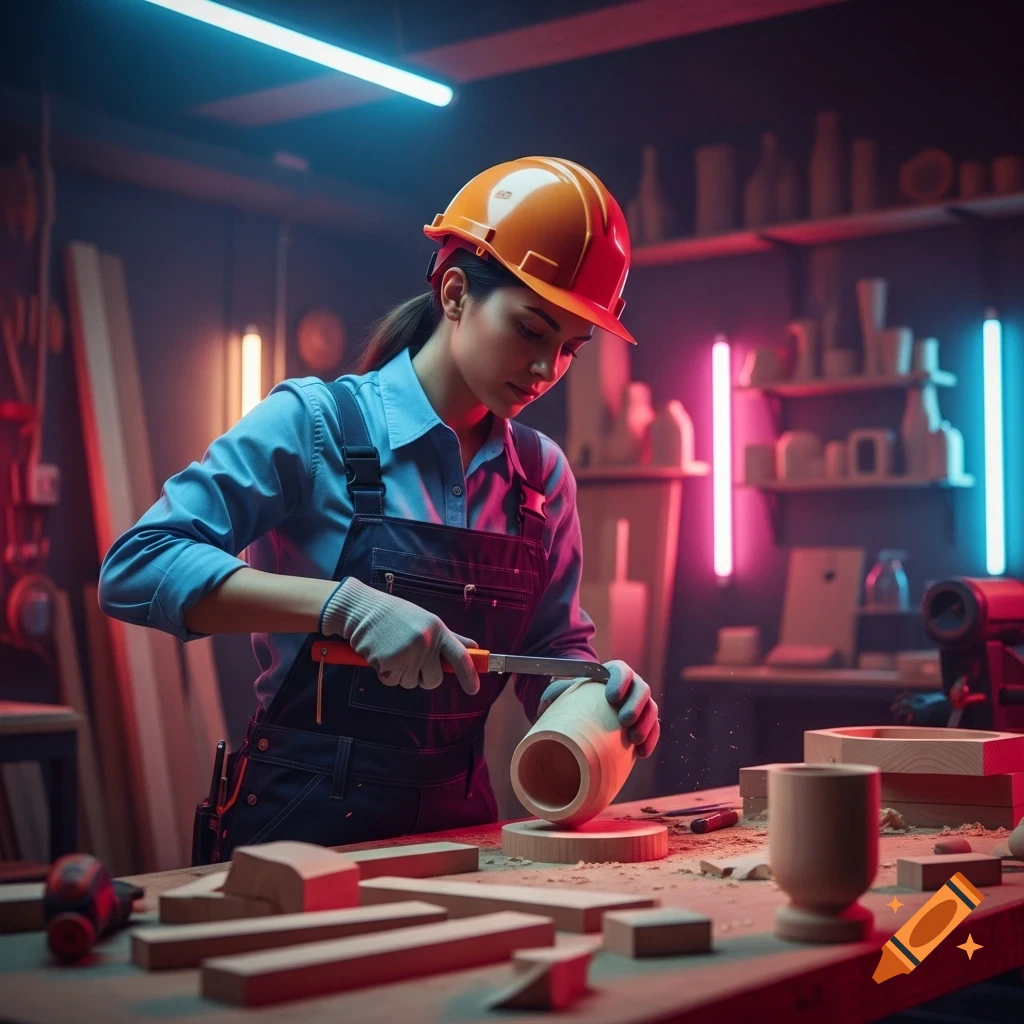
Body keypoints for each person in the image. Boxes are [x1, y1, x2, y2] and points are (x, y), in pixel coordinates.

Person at [98, 156, 660, 865]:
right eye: (531, 331)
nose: (548, 370)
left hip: (463, 835)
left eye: (571, 349)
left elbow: (550, 655)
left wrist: (595, 699)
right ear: (456, 293)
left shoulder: (541, 476)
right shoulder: (316, 426)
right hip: (299, 837)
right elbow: (136, 568)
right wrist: (339, 607)